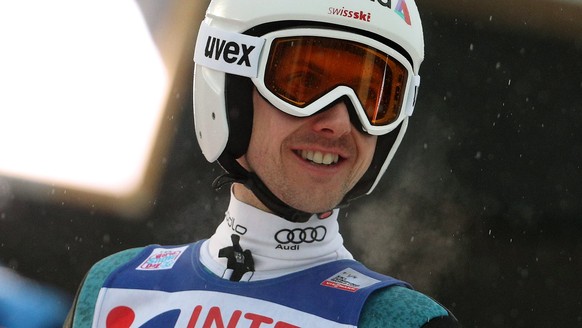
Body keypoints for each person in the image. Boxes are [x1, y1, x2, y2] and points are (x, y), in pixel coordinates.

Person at [64, 0, 459, 326]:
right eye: (303, 83)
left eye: (372, 98)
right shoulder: (113, 289)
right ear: (233, 88)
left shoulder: (400, 320)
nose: (339, 123)